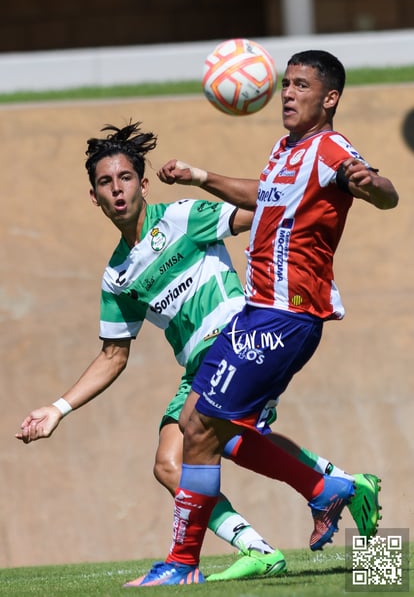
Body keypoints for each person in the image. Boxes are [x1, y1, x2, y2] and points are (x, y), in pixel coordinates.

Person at [15, 121, 381, 583]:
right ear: (94, 197)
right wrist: (58, 408)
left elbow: (264, 209)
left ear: (143, 184)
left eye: (126, 178)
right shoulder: (117, 277)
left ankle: (192, 561)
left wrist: (290, 196)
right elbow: (113, 356)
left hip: (241, 339)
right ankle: (303, 514)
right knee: (171, 463)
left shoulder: (181, 217)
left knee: (207, 431)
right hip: (197, 366)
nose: (117, 190)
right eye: (105, 183)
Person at [129, 49, 399, 586]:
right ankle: (336, 490)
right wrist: (199, 175)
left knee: (200, 427)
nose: (289, 94)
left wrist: (368, 183)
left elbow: (383, 191)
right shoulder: (286, 149)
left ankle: (185, 565)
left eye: (301, 85)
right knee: (209, 428)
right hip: (259, 312)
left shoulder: (331, 149)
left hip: (286, 315)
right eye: (285, 85)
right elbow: (265, 195)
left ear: (330, 98)